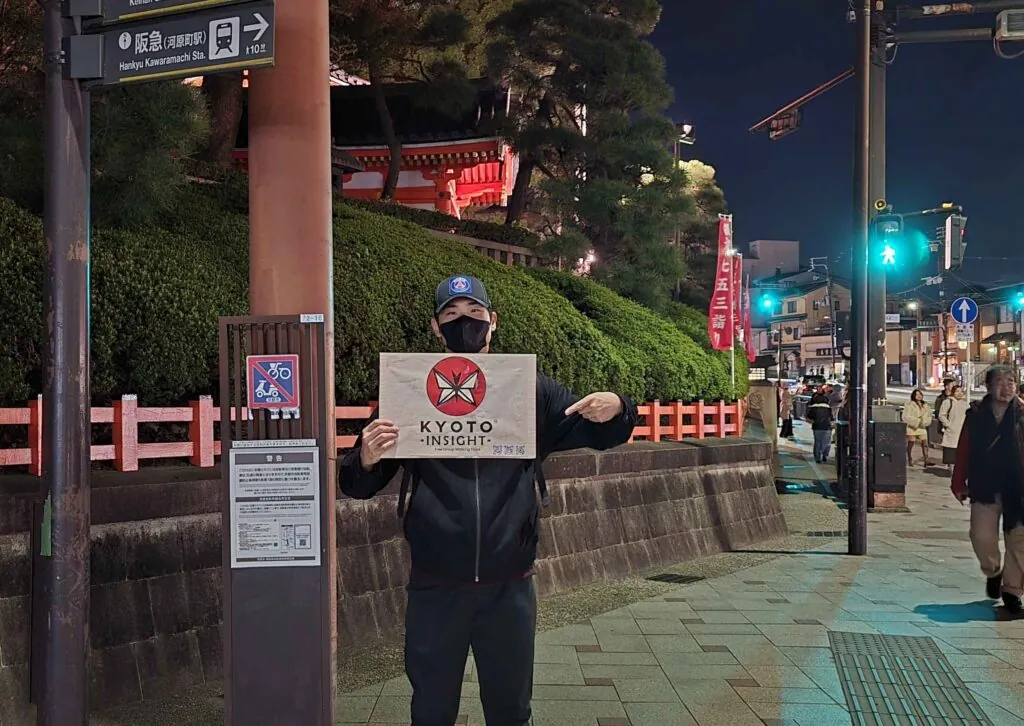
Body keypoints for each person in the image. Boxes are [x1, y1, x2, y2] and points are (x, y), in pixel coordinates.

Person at [338, 275, 639, 725]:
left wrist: (618, 407)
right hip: (435, 586)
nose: (466, 324)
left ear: (492, 322)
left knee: (511, 711)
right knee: (432, 711)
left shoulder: (529, 389)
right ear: (436, 327)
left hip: (511, 584)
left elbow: (598, 430)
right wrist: (363, 457)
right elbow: (358, 484)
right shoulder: (410, 392)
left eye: (475, 314)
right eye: (452, 316)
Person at [951, 365, 1024, 614]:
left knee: (1020, 542)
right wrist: (958, 482)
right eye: (1000, 381)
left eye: (1011, 381)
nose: (1007, 387)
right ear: (988, 386)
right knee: (981, 536)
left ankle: (1012, 591)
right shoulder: (977, 415)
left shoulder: (1023, 413)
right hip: (985, 485)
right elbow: (964, 451)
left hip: (1019, 489)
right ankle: (993, 570)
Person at [938, 384, 968, 473]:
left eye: (961, 391)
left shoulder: (965, 403)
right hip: (952, 432)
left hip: (962, 431)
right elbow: (941, 415)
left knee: (961, 452)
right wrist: (948, 425)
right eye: (957, 391)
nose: (959, 393)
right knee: (951, 453)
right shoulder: (948, 402)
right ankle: (952, 471)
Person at [902, 388, 933, 467]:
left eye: (920, 394)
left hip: (922, 427)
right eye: (917, 394)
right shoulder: (909, 404)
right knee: (911, 443)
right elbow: (905, 416)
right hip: (912, 427)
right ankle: (909, 458)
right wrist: (916, 421)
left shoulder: (925, 405)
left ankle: (926, 460)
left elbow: (929, 416)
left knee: (925, 443)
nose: (919, 396)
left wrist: (924, 422)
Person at [807, 387, 834, 463]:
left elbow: (809, 419)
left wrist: (813, 421)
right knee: (826, 442)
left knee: (817, 442)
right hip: (827, 427)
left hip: (817, 427)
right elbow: (831, 418)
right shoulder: (828, 408)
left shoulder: (813, 408)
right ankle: (825, 455)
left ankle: (817, 457)